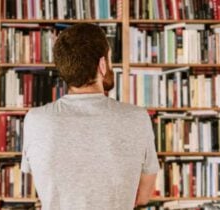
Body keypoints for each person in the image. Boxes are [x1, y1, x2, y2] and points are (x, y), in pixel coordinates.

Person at [21, 23, 159, 210]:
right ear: (102, 64)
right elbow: (142, 197)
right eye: (109, 59)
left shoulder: (35, 120)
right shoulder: (137, 118)